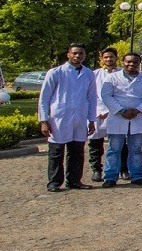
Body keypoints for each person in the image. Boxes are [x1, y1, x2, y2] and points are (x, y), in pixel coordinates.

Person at [38, 44, 97, 192]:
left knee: (77, 151)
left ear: (85, 55)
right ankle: (54, 182)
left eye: (81, 53)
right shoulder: (56, 73)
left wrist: (92, 120)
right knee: (56, 151)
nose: (78, 56)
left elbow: (92, 98)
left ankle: (74, 180)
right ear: (68, 55)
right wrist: (44, 120)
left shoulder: (89, 74)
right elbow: (44, 98)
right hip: (59, 117)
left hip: (80, 117)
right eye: (75, 53)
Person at [99, 52, 142, 187]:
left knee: (136, 149)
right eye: (128, 62)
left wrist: (137, 110)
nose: (131, 64)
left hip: (138, 116)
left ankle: (137, 175)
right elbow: (106, 96)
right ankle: (110, 177)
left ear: (139, 64)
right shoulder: (112, 78)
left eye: (135, 62)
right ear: (123, 62)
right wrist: (122, 110)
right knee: (114, 149)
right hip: (118, 116)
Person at [89, 47, 118, 182]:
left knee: (119, 144)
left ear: (116, 58)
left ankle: (121, 169)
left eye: (111, 57)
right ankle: (96, 169)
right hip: (98, 112)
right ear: (101, 59)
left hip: (117, 113)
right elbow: (90, 95)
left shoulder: (122, 74)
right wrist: (99, 111)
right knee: (95, 143)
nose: (108, 59)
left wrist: (111, 110)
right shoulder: (94, 75)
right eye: (105, 57)